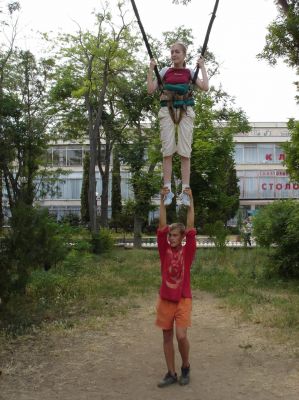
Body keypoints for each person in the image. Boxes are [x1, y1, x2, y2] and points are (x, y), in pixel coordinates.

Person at [147, 42, 209, 207]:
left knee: (184, 151)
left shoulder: (190, 72)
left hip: (185, 110)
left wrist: (202, 66)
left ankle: (185, 190)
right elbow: (150, 89)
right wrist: (150, 69)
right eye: (172, 52)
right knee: (167, 150)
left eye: (177, 52)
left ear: (184, 55)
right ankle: (167, 189)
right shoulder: (164, 71)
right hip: (166, 110)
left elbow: (205, 87)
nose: (174, 54)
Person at [156, 186, 197, 388]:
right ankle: (171, 373)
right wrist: (162, 201)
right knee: (166, 336)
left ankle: (186, 366)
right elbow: (161, 226)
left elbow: (190, 227)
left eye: (174, 235)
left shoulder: (187, 251)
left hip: (183, 298)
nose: (170, 237)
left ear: (181, 238)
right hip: (165, 298)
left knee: (181, 335)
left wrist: (191, 201)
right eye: (170, 235)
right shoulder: (164, 250)